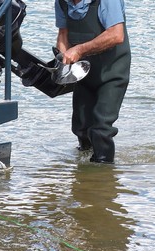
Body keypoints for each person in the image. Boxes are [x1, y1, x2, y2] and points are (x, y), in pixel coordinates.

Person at [55, 0, 131, 163]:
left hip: (112, 72)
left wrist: (79, 50)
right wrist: (63, 59)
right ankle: (84, 179)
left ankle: (103, 172)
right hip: (83, 73)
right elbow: (63, 34)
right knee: (80, 128)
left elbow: (116, 35)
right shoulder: (62, 2)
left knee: (101, 129)